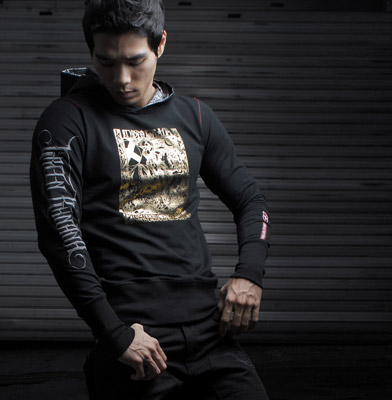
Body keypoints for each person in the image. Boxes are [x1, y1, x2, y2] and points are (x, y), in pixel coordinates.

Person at [30, 0, 271, 399]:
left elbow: (251, 200)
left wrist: (249, 274)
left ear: (160, 44)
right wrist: (114, 333)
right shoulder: (68, 120)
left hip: (211, 330)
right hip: (133, 335)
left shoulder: (195, 116)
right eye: (106, 62)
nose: (122, 78)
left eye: (135, 60)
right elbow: (59, 234)